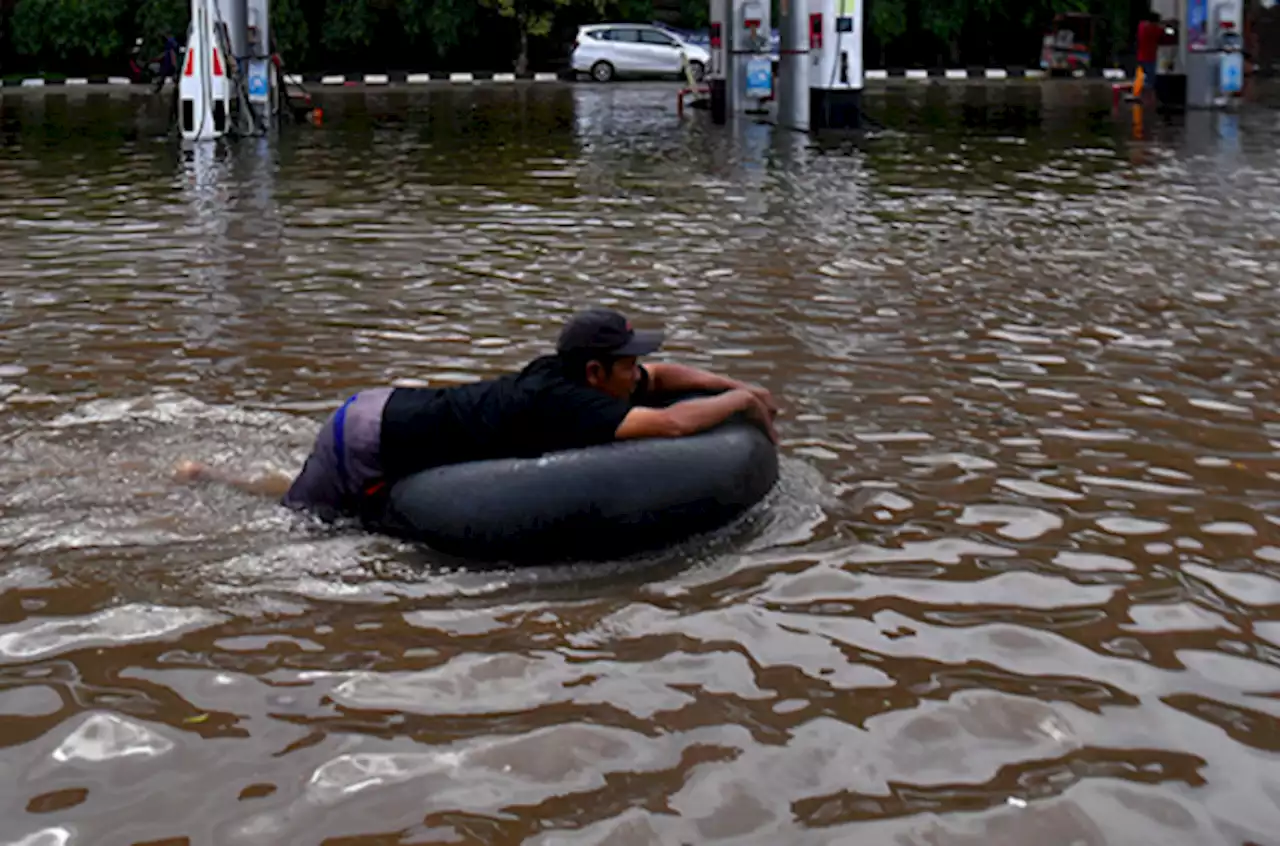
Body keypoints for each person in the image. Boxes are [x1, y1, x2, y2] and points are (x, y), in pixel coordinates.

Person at [175, 308, 778, 524]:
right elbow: (672, 424)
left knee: (317, 499)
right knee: (305, 523)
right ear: (596, 372)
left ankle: (210, 473)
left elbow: (665, 379)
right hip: (369, 434)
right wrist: (744, 403)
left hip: (383, 407)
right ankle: (205, 479)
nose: (637, 370)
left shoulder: (565, 370)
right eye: (626, 362)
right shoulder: (570, 402)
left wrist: (729, 381)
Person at [1135, 12, 1163, 98]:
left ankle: (1138, 95)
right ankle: (1147, 98)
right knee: (1149, 81)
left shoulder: (1141, 26)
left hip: (1140, 56)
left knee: (1140, 78)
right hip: (1150, 58)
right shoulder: (1154, 29)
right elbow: (1162, 32)